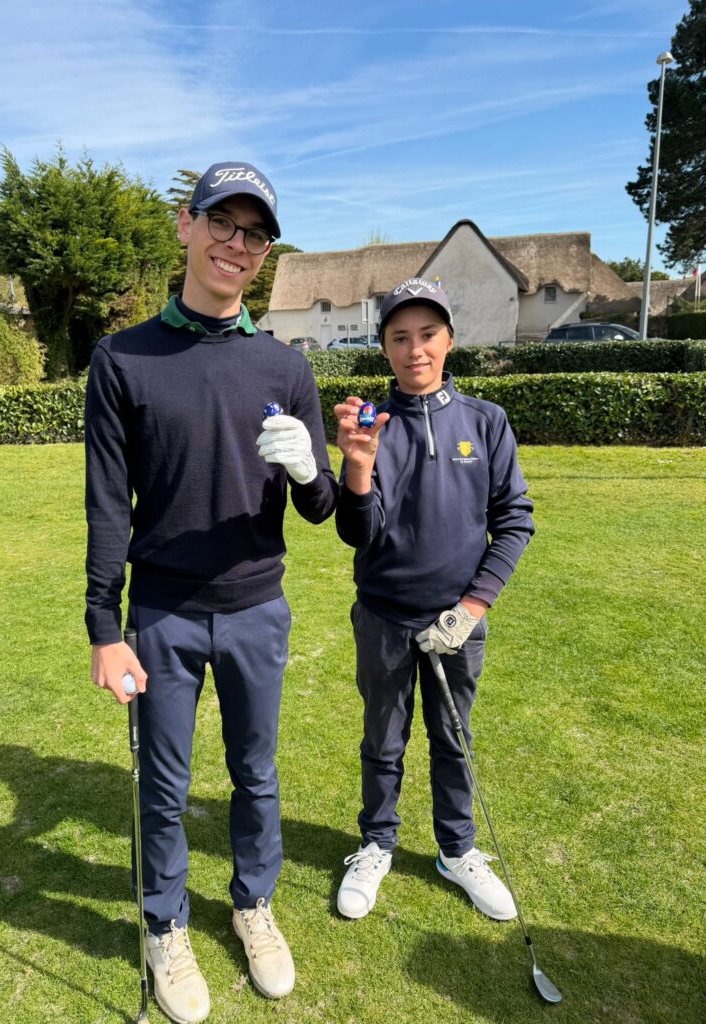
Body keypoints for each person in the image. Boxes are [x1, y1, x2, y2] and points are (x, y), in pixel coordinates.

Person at [84, 161, 338, 1023]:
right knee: (163, 785)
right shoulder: (122, 358)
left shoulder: (284, 365)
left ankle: (254, 904)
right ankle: (165, 923)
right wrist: (103, 625)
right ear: (186, 227)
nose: (237, 244)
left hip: (258, 608)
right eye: (222, 223)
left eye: (255, 233)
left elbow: (320, 505)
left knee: (255, 774)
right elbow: (107, 504)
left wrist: (309, 471)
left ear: (266, 254)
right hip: (161, 614)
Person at [333, 277, 534, 923]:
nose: (414, 349)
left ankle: (457, 850)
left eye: (427, 334)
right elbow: (356, 533)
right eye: (400, 337)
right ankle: (376, 843)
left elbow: (514, 520)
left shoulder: (485, 421)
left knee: (452, 738)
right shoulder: (372, 425)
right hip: (384, 616)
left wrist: (473, 607)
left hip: (457, 621)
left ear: (449, 339)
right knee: (383, 739)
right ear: (384, 346)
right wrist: (357, 466)